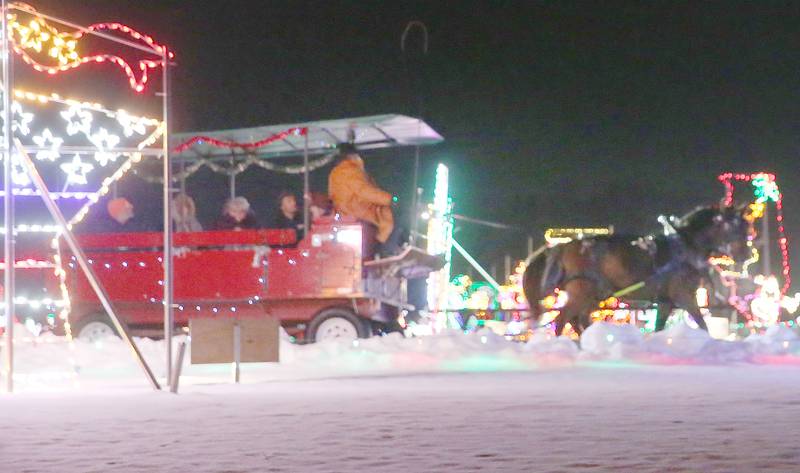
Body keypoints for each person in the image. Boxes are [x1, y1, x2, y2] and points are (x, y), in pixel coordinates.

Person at [329, 143, 399, 253]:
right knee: (389, 222)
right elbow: (365, 191)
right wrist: (390, 199)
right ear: (353, 156)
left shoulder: (335, 172)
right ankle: (386, 253)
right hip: (358, 212)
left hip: (345, 213)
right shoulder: (351, 170)